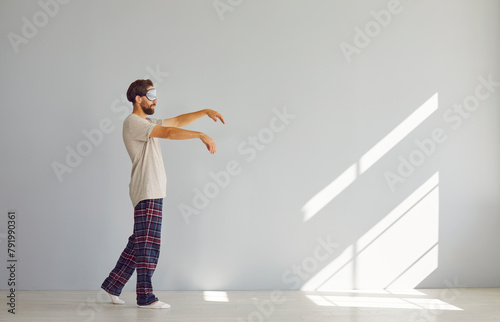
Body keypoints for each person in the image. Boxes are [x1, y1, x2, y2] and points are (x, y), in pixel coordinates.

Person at [101, 79, 225, 309]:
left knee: (138, 241)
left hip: (152, 189)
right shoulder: (133, 123)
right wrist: (200, 135)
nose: (156, 99)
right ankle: (145, 297)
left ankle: (113, 284)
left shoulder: (145, 121)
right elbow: (168, 132)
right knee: (148, 244)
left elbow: (176, 121)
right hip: (147, 189)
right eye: (151, 94)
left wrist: (204, 112)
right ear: (138, 99)